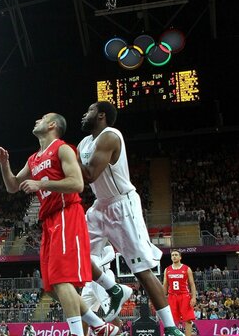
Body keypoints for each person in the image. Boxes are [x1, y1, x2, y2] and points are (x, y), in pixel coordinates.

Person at [0, 113, 119, 336]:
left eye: (41, 118)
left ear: (52, 125)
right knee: (51, 287)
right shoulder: (33, 159)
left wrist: (41, 183)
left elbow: (77, 183)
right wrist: (5, 164)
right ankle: (100, 326)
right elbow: (13, 185)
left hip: (66, 213)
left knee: (62, 281)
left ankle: (77, 333)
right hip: (49, 220)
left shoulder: (62, 148)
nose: (35, 120)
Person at [78, 101, 184, 336]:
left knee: (142, 270)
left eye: (90, 111)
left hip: (121, 205)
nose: (84, 115)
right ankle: (115, 289)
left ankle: (170, 327)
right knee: (78, 258)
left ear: (102, 115)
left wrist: (63, 156)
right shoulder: (83, 144)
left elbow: (89, 174)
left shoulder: (110, 136)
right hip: (99, 207)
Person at [81, 244, 122, 335]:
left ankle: (119, 333)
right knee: (82, 311)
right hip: (89, 280)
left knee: (110, 311)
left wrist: (96, 266)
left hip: (102, 275)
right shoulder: (81, 237)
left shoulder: (100, 235)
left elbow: (111, 254)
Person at [163, 250, 197, 336]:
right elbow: (165, 285)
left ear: (180, 257)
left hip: (184, 296)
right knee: (173, 320)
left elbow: (192, 284)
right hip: (172, 296)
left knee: (188, 319)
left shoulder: (187, 268)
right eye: (172, 255)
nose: (174, 256)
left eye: (176, 255)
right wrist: (163, 297)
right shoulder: (167, 270)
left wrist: (193, 297)